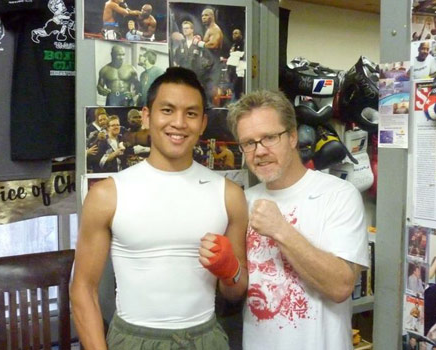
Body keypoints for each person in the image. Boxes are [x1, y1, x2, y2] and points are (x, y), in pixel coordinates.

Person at [71, 67, 248, 350]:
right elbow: (82, 289)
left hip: (205, 338)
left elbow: (236, 290)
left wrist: (231, 270)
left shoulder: (229, 195)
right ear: (146, 116)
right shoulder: (107, 194)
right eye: (167, 110)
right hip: (133, 339)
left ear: (202, 123)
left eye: (190, 113)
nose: (179, 123)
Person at [226, 90, 369, 350]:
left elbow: (340, 286)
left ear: (292, 136)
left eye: (269, 138)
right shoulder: (243, 201)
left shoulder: (338, 195)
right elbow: (234, 289)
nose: (259, 151)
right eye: (249, 143)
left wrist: (281, 230)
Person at [193, 8, 224, 106]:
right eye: (202, 16)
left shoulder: (215, 29)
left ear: (212, 16)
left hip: (214, 65)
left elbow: (213, 44)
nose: (203, 18)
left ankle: (215, 113)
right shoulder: (209, 29)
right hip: (208, 65)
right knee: (205, 92)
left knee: (212, 91)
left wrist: (199, 43)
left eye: (206, 15)